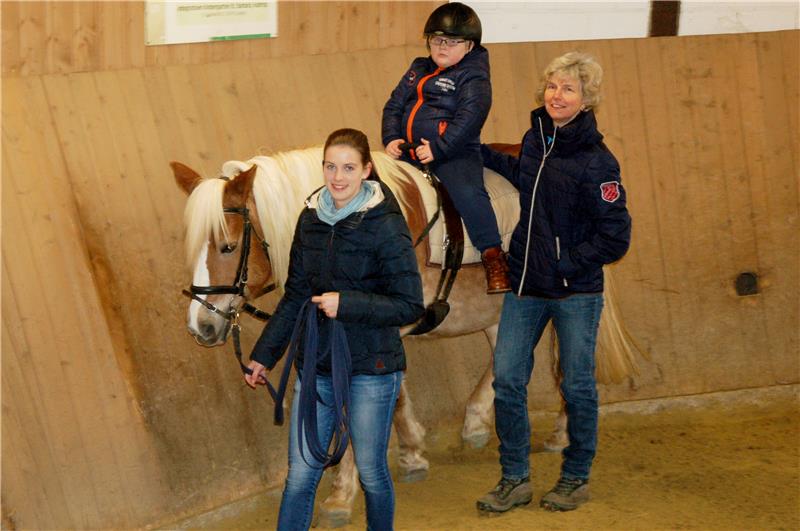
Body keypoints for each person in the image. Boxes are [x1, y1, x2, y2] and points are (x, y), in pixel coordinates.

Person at [245, 128, 425, 531]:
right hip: (316, 366)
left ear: (366, 170)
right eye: (330, 166)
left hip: (373, 369)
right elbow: (295, 295)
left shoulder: (386, 225)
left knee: (373, 472)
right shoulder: (310, 219)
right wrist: (264, 355)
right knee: (301, 475)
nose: (337, 177)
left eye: (348, 167)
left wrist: (347, 304)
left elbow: (410, 304)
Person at [476, 52, 632, 513]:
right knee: (506, 381)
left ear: (586, 101)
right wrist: (473, 151)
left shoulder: (598, 162)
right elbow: (522, 173)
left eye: (568, 89)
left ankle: (575, 476)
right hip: (526, 286)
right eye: (553, 86)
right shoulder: (536, 139)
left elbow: (616, 235)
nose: (557, 95)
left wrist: (568, 263)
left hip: (575, 292)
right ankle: (515, 478)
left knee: (578, 385)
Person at [381, 2, 510, 294]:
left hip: (454, 153)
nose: (442, 47)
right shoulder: (418, 68)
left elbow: (470, 118)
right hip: (409, 151)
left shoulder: (474, 77)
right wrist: (391, 137)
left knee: (467, 192)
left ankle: (493, 256)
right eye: (437, 40)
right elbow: (394, 105)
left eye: (452, 42)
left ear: (469, 45)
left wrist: (439, 149)